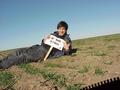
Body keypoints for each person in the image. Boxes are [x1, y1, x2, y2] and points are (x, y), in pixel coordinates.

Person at [0, 21, 72, 69]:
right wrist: (44, 40)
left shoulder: (66, 39)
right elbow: (43, 43)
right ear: (58, 29)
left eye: (63, 29)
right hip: (38, 47)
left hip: (44, 53)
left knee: (23, 57)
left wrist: (67, 49)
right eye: (60, 28)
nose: (61, 30)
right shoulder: (53, 35)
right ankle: (2, 61)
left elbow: (67, 52)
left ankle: (2, 65)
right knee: (18, 51)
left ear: (66, 30)